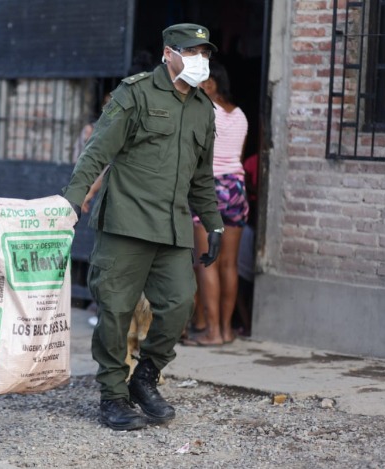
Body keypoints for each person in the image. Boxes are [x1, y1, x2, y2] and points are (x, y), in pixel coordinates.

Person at [63, 24, 224, 431]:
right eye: (191, 52)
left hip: (172, 227)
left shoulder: (204, 109)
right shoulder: (134, 94)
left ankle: (145, 378)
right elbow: (97, 150)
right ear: (168, 53)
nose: (200, 60)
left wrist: (215, 223)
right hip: (126, 223)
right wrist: (72, 200)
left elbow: (202, 176)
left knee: (179, 305)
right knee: (115, 313)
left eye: (204, 53)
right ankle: (112, 396)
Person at [184, 61, 249, 346]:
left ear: (210, 83)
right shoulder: (240, 115)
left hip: (210, 189)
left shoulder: (202, 112)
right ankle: (225, 329)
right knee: (229, 265)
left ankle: (211, 331)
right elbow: (237, 156)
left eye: (200, 81)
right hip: (236, 188)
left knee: (207, 263)